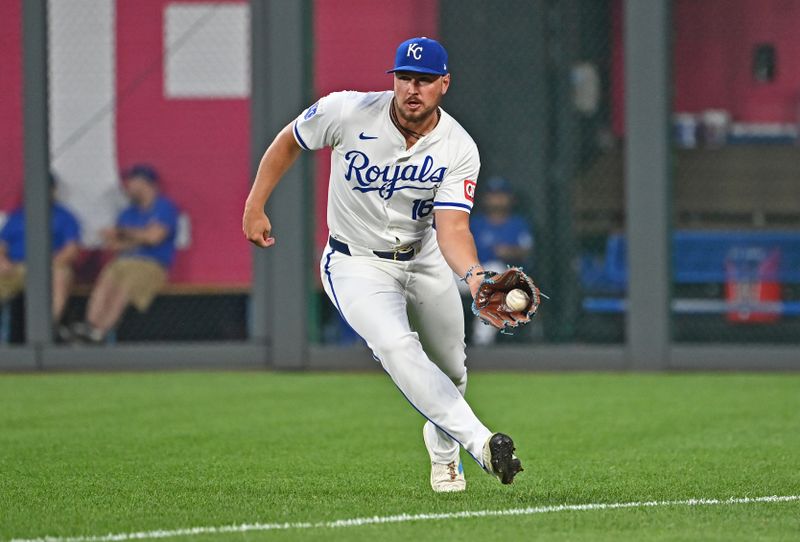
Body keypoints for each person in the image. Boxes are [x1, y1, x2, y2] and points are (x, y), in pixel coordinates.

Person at [243, 37, 523, 492]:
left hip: (425, 256)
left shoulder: (458, 147)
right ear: (393, 79)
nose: (413, 89)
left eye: (426, 80)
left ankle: (444, 453)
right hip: (357, 263)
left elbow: (452, 228)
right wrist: (255, 204)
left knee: (452, 369)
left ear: (444, 84)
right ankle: (481, 444)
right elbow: (289, 140)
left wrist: (474, 276)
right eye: (405, 78)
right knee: (396, 345)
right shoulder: (346, 111)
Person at [72, 164, 178, 343]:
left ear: (145, 183)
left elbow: (154, 237)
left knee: (124, 286)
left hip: (151, 264)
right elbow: (115, 245)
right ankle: (90, 326)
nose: (128, 186)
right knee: (107, 279)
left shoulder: (163, 207)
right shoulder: (128, 213)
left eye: (132, 181)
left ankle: (100, 331)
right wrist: (135, 236)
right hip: (124, 261)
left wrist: (125, 234)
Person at [0, 173, 81, 336]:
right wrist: (3, 261)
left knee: (60, 275)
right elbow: (1, 245)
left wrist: (47, 264)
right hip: (17, 268)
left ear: (52, 190)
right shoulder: (16, 217)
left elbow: (72, 250)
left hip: (50, 268)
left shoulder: (65, 216)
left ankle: (47, 331)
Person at [467, 176, 534, 345]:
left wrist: (509, 251)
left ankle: (482, 341)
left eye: (501, 195)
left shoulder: (518, 223)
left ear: (510, 198)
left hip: (502, 278)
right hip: (468, 273)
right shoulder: (475, 222)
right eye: (493, 195)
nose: (497, 199)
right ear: (485, 198)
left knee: (495, 274)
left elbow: (527, 251)